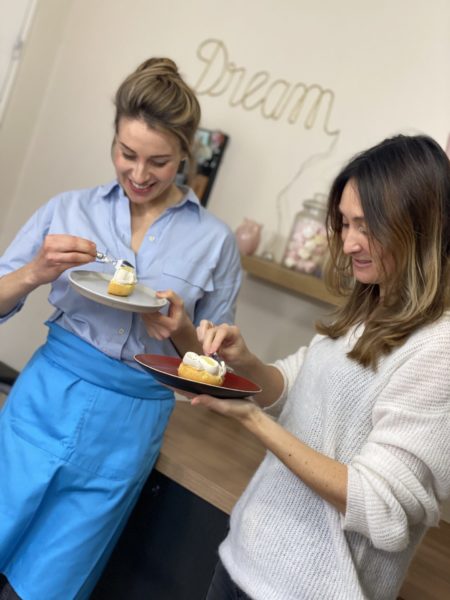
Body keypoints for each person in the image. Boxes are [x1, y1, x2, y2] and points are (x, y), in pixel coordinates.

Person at [0, 57, 241, 600]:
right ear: (113, 140)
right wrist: (36, 272)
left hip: (129, 423)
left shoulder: (215, 243)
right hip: (44, 398)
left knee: (47, 587)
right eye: (126, 154)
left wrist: (180, 332)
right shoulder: (68, 208)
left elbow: (214, 368)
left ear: (186, 152)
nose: (138, 174)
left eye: (158, 161)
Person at [192, 134, 450, 600]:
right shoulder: (369, 307)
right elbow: (292, 388)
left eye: (366, 226)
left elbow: (382, 507)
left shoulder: (438, 348)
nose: (349, 243)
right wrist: (245, 361)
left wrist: (249, 418)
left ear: (418, 225)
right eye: (344, 224)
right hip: (243, 561)